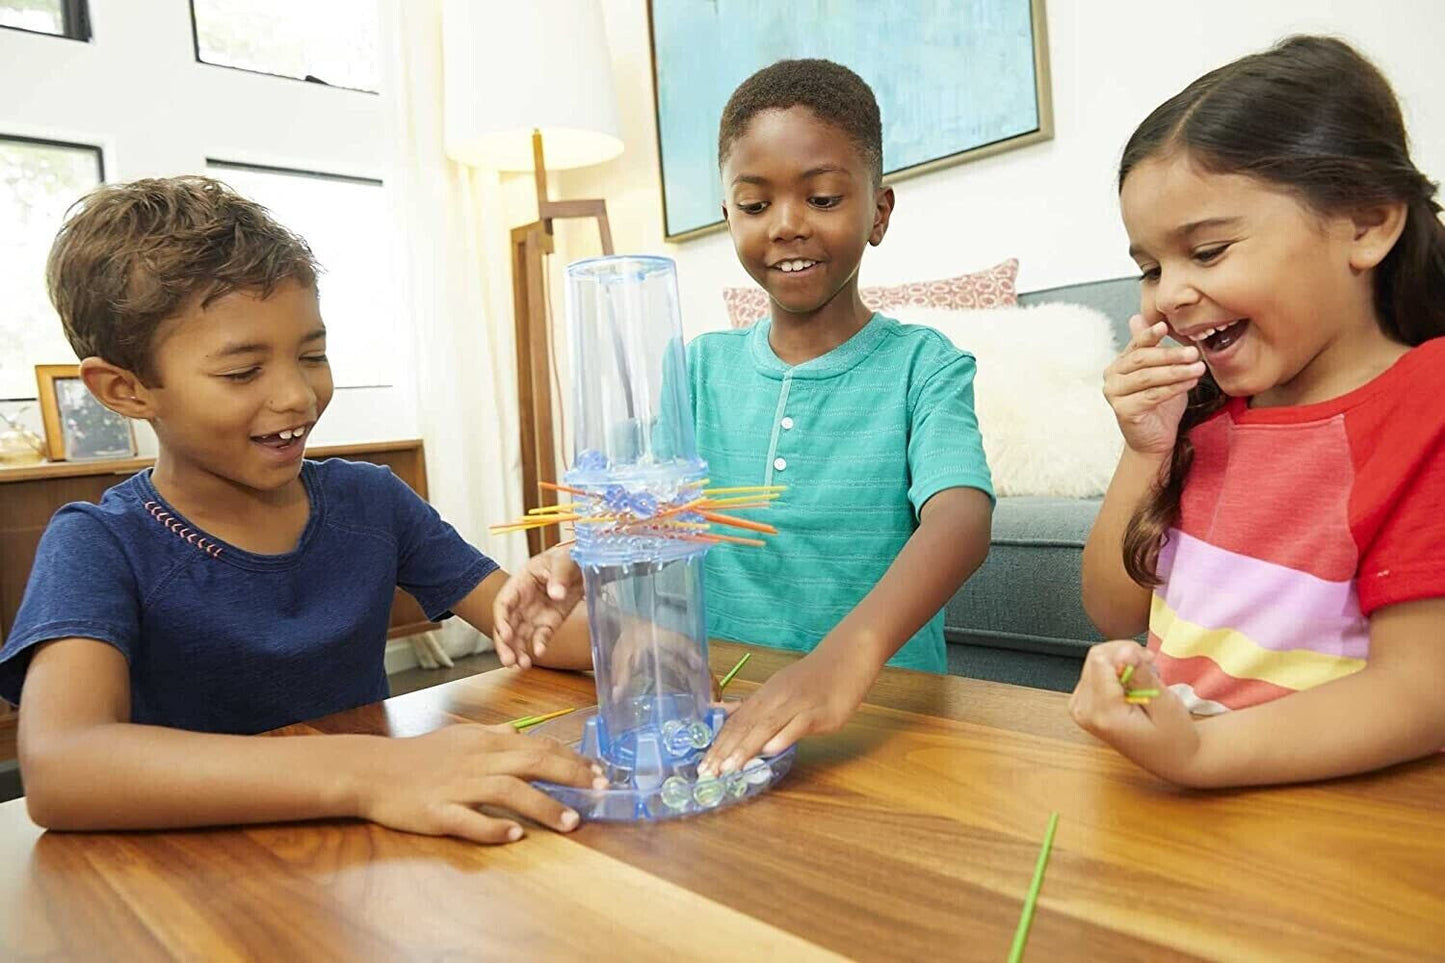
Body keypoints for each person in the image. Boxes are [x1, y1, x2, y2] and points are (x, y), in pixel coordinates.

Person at [1, 177, 602, 843]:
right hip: (191, 888)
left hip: (367, 854)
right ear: (125, 389)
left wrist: (619, 615)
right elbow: (62, 767)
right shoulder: (99, 544)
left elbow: (528, 627)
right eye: (241, 372)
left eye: (311, 354)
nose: (297, 395)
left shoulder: (370, 500)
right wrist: (372, 772)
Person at [495, 59, 995, 778]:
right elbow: (637, 504)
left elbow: (960, 521)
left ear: (878, 212)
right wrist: (576, 557)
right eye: (755, 205)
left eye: (821, 198)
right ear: (728, 215)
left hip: (876, 716)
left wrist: (841, 660)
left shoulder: (925, 364)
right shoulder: (694, 368)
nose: (786, 225)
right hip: (719, 717)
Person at [1071, 36, 1445, 787]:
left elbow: (1421, 690)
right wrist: (1144, 451)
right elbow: (1112, 611)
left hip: (1331, 829)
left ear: (1367, 224)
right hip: (1190, 805)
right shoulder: (1205, 415)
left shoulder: (1424, 400)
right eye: (1148, 267)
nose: (1168, 293)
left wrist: (1204, 755)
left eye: (1206, 252)